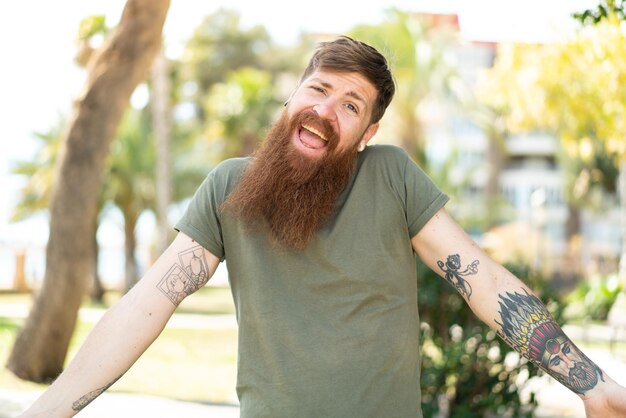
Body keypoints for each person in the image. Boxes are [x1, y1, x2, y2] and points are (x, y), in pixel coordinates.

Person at [16, 35, 626, 418]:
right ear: (291, 99)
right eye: (319, 89)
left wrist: (591, 384)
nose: (326, 111)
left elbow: (481, 279)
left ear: (368, 135)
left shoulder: (389, 176)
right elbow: (148, 304)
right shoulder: (228, 187)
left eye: (351, 105)